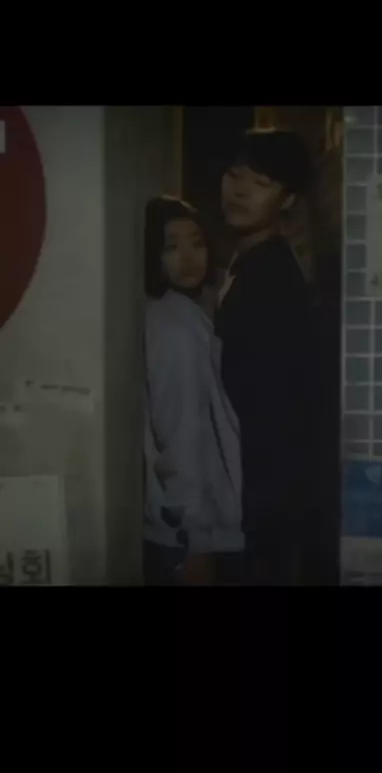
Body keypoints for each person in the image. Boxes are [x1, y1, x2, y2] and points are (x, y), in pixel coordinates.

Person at [215, 129, 320, 585]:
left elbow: (276, 411)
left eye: (261, 183)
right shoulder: (248, 263)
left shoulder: (273, 279)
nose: (240, 190)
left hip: (257, 496)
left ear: (288, 199)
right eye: (236, 174)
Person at [143, 195, 244, 585]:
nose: (188, 257)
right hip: (191, 530)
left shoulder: (182, 314)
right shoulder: (172, 328)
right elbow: (179, 433)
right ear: (153, 254)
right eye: (172, 246)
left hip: (192, 523)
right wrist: (196, 537)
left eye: (196, 243)